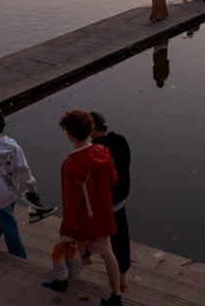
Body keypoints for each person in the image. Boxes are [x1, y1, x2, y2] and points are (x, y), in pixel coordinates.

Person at [44, 110, 122, 306]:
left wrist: (66, 231)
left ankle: (62, 281)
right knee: (107, 253)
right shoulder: (104, 152)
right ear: (89, 131)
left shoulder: (71, 164)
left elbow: (71, 202)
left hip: (83, 220)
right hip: (103, 215)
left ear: (69, 135)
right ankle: (116, 295)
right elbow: (113, 179)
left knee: (72, 249)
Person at [0, 109, 51, 259]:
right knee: (6, 217)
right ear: (3, 126)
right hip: (12, 189)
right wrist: (31, 186)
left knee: (9, 226)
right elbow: (24, 168)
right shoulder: (14, 146)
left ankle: (20, 256)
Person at [90, 112, 132, 293]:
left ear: (92, 129)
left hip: (105, 203)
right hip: (121, 198)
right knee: (121, 239)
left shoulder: (94, 150)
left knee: (105, 245)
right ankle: (123, 280)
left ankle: (114, 286)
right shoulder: (121, 140)